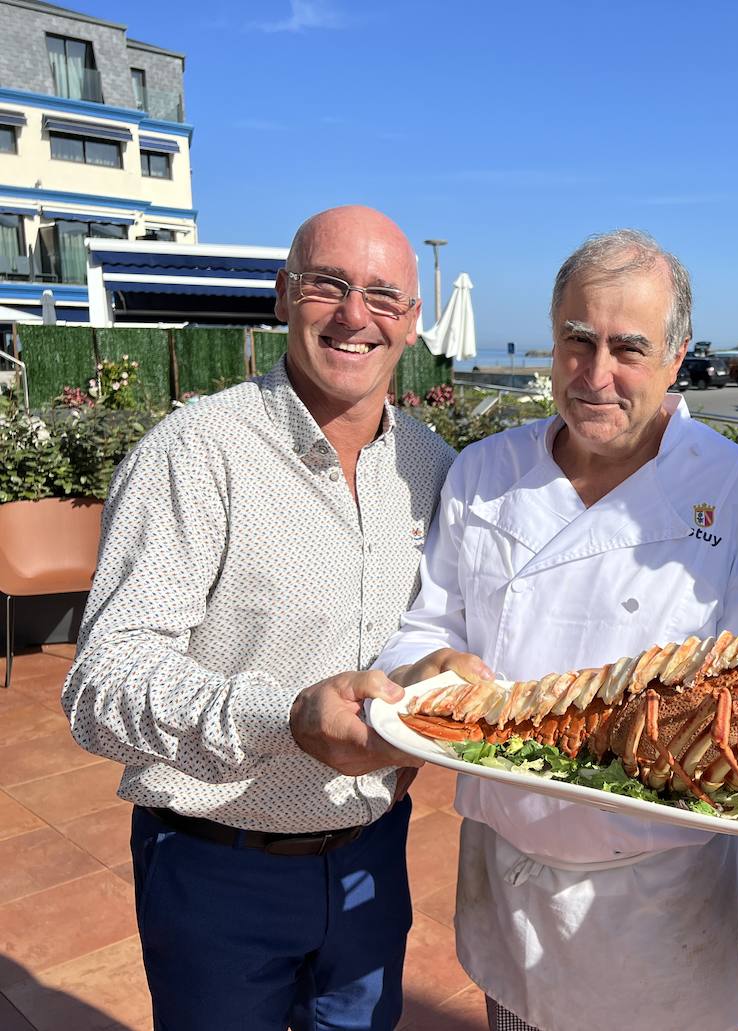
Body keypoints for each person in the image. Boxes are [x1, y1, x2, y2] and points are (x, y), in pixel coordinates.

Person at [374, 229, 738, 1031]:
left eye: (628, 349)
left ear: (677, 358)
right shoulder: (485, 475)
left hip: (662, 905)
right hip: (509, 878)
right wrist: (432, 663)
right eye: (577, 341)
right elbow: (419, 628)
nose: (596, 375)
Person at [62, 206, 457, 1030]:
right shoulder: (195, 452)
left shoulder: (432, 465)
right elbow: (102, 684)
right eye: (329, 285)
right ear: (284, 296)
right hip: (217, 870)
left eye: (384, 296)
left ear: (413, 323)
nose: (356, 316)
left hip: (373, 860)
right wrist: (283, 718)